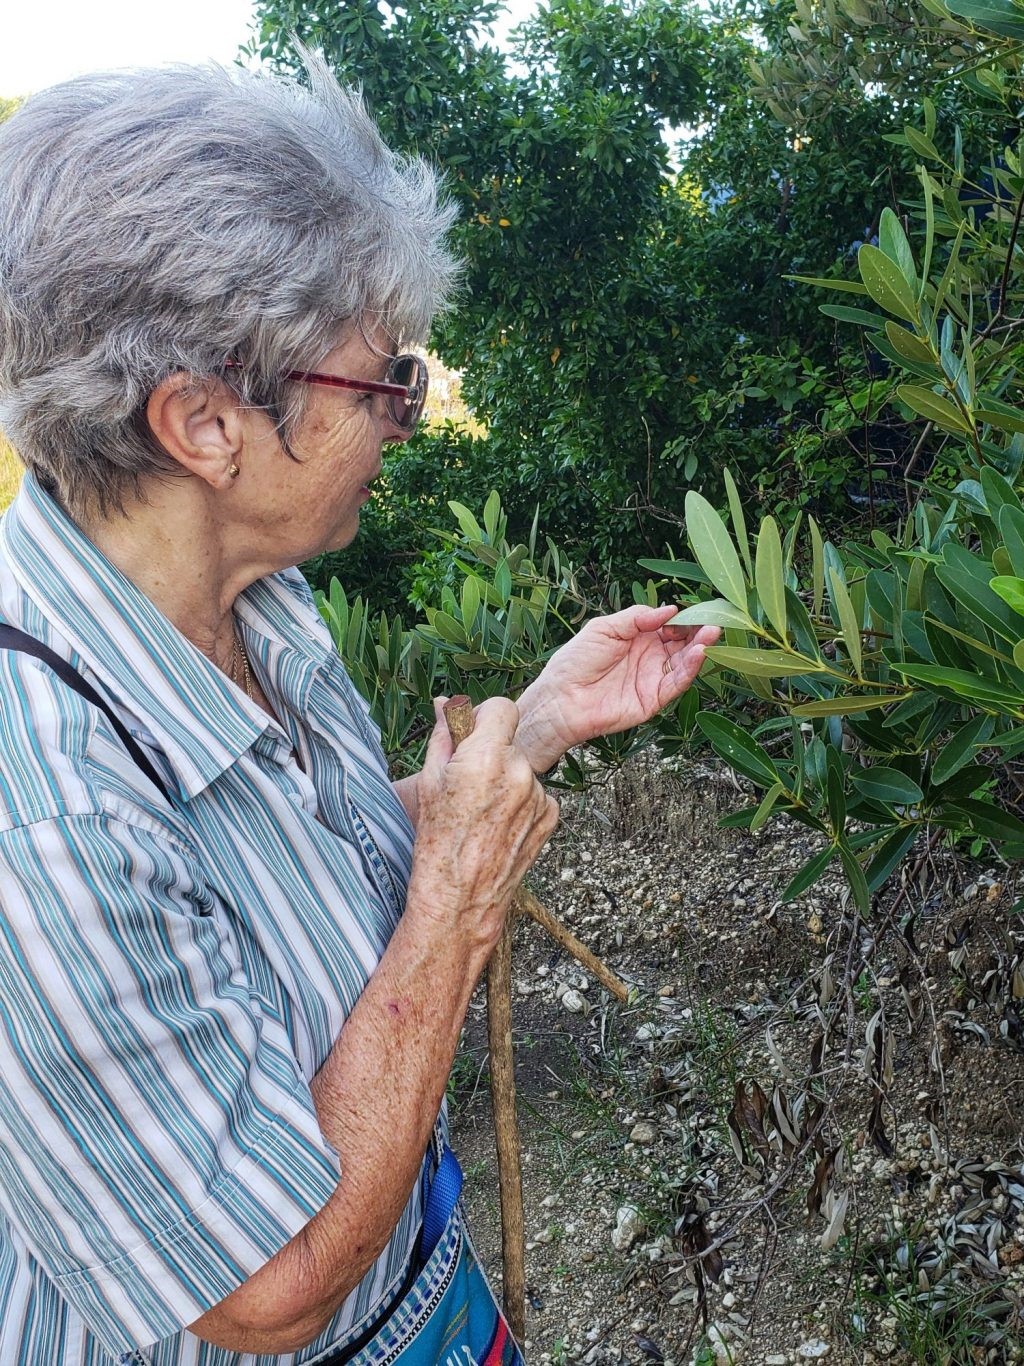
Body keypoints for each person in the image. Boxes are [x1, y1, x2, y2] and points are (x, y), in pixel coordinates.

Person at [0, 57, 719, 1366]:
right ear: (205, 422)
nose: (404, 418)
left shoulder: (246, 596)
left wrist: (539, 720)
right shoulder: (38, 812)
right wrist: (456, 901)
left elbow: (284, 879)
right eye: (381, 380)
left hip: (422, 1300)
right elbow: (265, 1288)